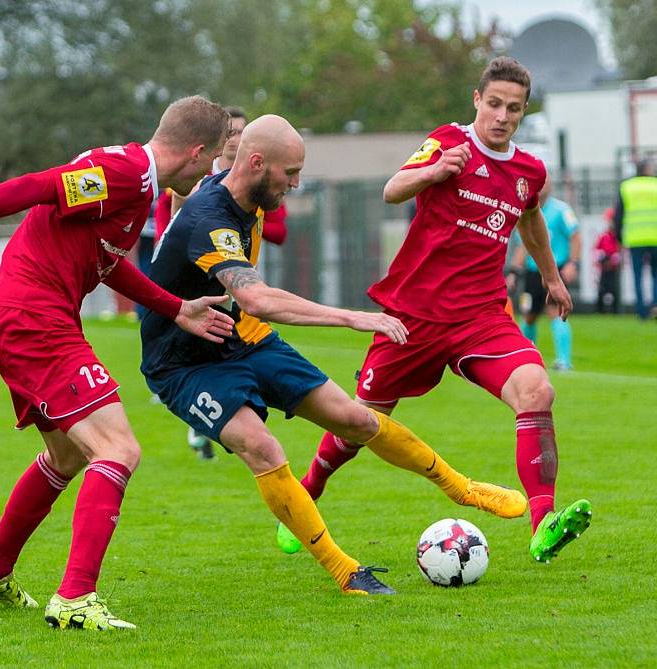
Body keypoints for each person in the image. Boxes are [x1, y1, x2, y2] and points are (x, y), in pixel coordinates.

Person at [0, 96, 234, 631]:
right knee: (119, 448)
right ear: (198, 151)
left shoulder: (136, 189)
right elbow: (35, 186)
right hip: (34, 317)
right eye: (217, 158)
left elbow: (106, 263)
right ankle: (75, 598)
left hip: (28, 316)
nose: (214, 171)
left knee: (66, 456)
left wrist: (177, 308)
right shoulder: (127, 174)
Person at [140, 113, 528, 596]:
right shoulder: (209, 218)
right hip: (183, 364)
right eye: (290, 173)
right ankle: (346, 572)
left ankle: (463, 489)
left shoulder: (237, 186)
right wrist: (353, 317)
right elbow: (259, 298)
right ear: (257, 164)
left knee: (358, 421)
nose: (297, 184)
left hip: (240, 338)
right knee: (262, 448)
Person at [288, 57, 592, 564]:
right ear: (477, 100)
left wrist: (553, 277)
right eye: (493, 104)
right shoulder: (449, 141)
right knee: (361, 422)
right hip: (413, 317)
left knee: (538, 389)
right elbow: (391, 191)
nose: (501, 116)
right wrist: (434, 170)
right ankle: (308, 491)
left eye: (513, 109)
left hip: (482, 317)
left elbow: (531, 221)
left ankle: (543, 524)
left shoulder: (528, 171)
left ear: (522, 113)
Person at [178, 106, 289, 460]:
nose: (235, 138)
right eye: (230, 132)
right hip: (203, 291)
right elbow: (176, 226)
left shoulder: (261, 184)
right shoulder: (199, 184)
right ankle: (207, 422)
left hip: (241, 286)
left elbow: (281, 231)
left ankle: (218, 423)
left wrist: (247, 218)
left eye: (242, 131)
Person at [509, 175, 581, 370]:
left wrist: (573, 263)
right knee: (529, 315)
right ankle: (527, 358)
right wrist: (514, 272)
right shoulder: (524, 212)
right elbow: (523, 246)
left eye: (544, 184)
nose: (540, 189)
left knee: (555, 312)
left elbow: (575, 236)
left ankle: (564, 361)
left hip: (554, 270)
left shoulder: (561, 210)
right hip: (533, 272)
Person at [613, 159, 657, 320]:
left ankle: (641, 311)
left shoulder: (627, 187)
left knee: (637, 275)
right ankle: (655, 306)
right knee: (655, 275)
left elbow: (618, 215)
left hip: (635, 237)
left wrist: (618, 236)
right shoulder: (655, 184)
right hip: (655, 237)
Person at [593, 207, 622, 313]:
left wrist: (614, 260)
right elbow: (596, 251)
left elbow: (620, 253)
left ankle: (616, 311)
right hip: (604, 268)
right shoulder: (604, 236)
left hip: (613, 269)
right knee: (601, 290)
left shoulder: (618, 238)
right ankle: (599, 311)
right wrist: (603, 259)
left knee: (614, 290)